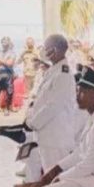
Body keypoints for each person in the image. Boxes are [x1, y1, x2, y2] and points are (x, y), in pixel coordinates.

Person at [20, 34, 79, 179]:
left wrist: (33, 123)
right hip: (47, 134)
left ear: (55, 50)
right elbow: (41, 99)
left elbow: (53, 106)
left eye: (46, 48)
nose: (43, 52)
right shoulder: (54, 69)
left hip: (56, 137)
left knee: (55, 178)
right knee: (48, 175)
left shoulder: (63, 74)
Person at [0, 36, 17, 115]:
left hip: (8, 74)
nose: (5, 43)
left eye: (6, 41)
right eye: (3, 41)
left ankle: (7, 109)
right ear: (1, 43)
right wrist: (5, 61)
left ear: (9, 43)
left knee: (9, 92)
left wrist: (0, 60)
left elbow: (10, 63)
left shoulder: (12, 53)